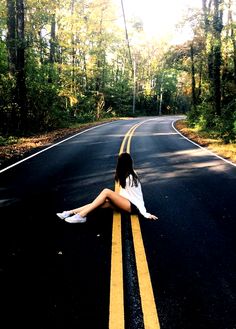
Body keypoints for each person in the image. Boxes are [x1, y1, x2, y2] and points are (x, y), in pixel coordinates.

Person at [56, 152, 158, 223]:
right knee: (97, 203)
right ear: (129, 163)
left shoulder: (131, 176)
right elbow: (123, 193)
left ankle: (81, 216)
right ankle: (69, 213)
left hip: (134, 206)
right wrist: (114, 199)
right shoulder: (123, 174)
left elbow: (137, 196)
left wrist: (145, 213)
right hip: (125, 203)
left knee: (106, 192)